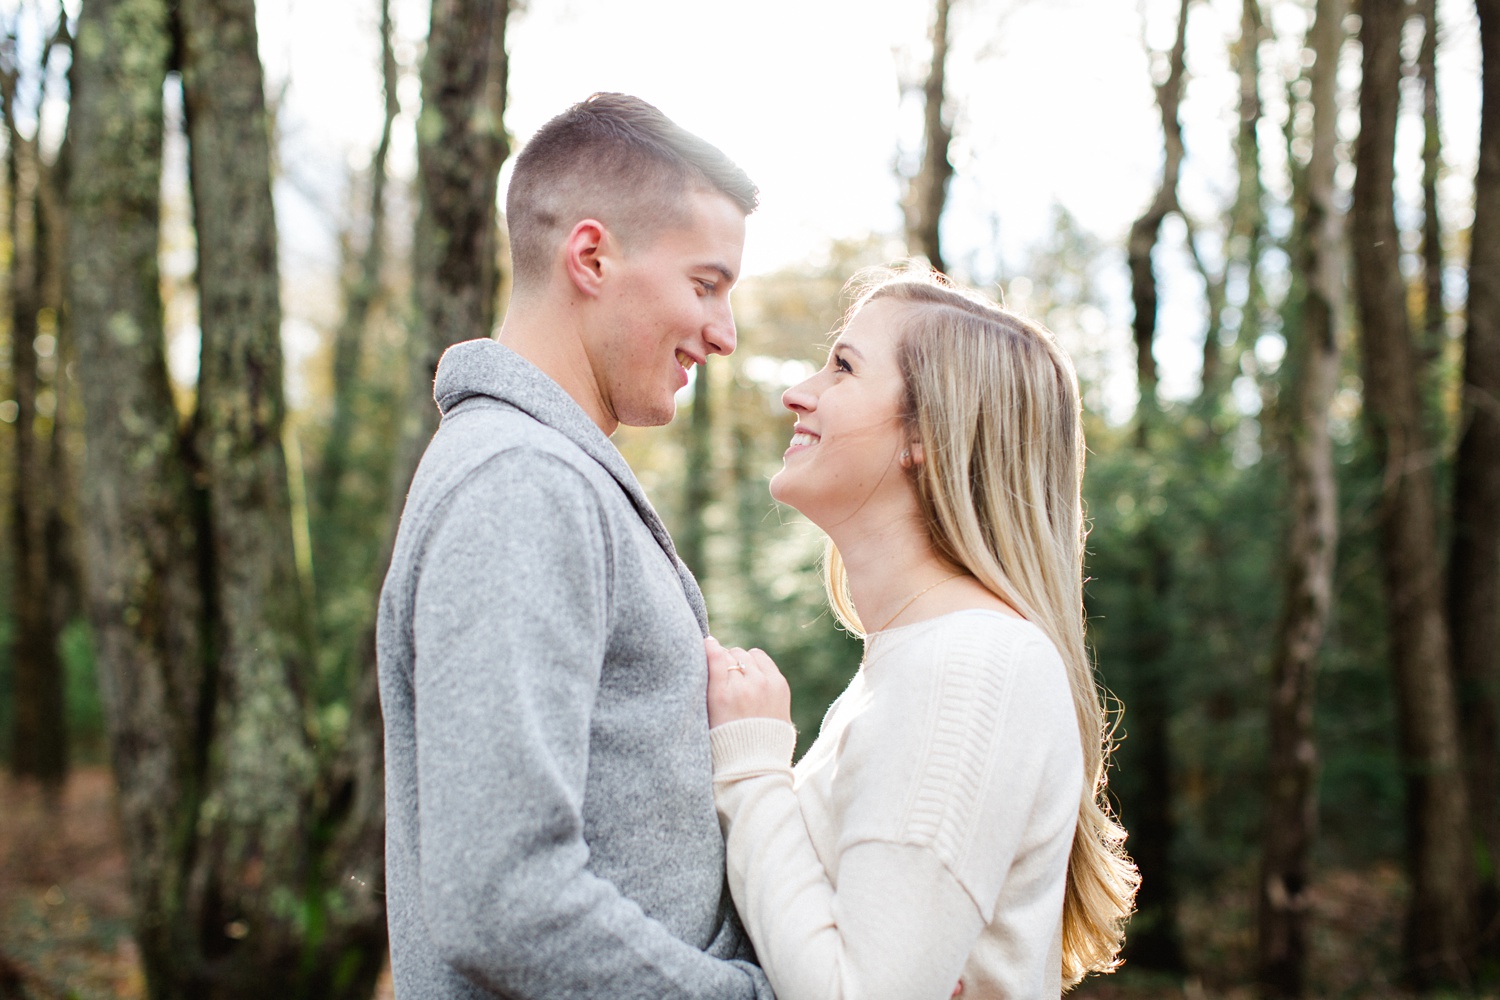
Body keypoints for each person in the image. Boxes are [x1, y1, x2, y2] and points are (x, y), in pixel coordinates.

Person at [377, 93, 773, 999]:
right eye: (705, 284)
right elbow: (503, 895)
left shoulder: (551, 474)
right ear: (591, 256)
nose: (725, 332)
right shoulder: (523, 482)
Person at [703, 268, 1140, 999]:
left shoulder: (969, 666)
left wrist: (751, 771)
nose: (798, 392)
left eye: (843, 367)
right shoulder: (919, 661)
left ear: (926, 434)